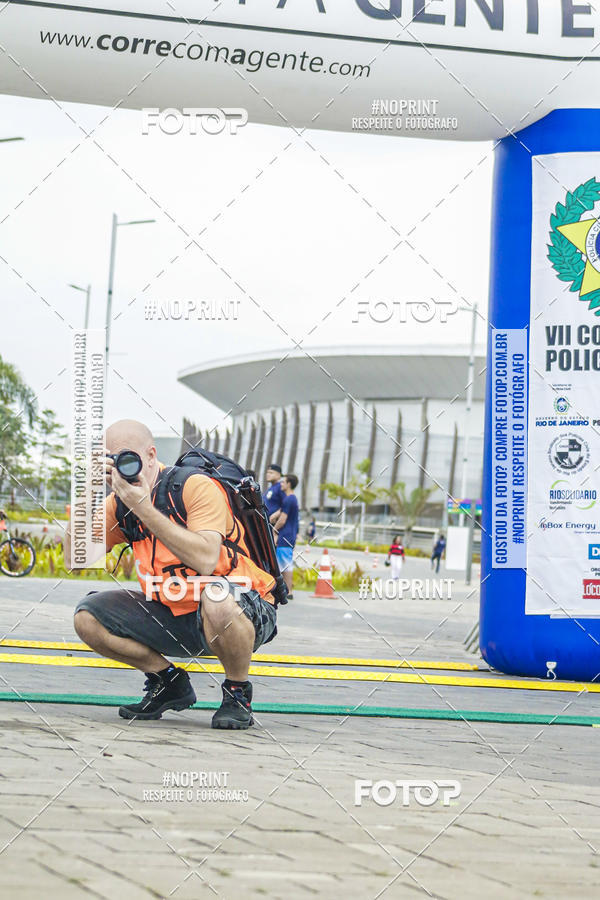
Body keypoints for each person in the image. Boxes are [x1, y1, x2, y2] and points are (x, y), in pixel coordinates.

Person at [66, 419, 278, 729]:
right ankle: (168, 682)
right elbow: (75, 560)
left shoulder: (194, 487)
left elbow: (206, 559)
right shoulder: (119, 504)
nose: (122, 470)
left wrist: (143, 507)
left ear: (151, 455)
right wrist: (87, 490)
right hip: (173, 611)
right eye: (111, 462)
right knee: (88, 617)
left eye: (128, 459)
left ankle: (236, 691)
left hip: (244, 609)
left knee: (216, 596)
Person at [271, 474, 299, 601]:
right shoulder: (291, 499)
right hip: (289, 535)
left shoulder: (289, 499)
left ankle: (288, 591)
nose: (281, 484)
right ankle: (287, 590)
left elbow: (282, 519)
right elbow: (280, 512)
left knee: (285, 564)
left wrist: (274, 530)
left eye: (283, 482)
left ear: (289, 484)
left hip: (285, 536)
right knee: (285, 563)